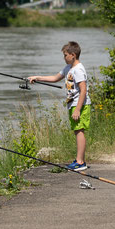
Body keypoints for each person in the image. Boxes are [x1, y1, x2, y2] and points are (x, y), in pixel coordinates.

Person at [28, 41, 91, 171]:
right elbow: (56, 78)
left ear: (73, 55)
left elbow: (83, 90)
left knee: (79, 131)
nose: (64, 57)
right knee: (77, 130)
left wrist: (78, 109)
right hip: (73, 104)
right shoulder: (69, 68)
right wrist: (38, 77)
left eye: (65, 55)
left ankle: (80, 162)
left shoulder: (78, 69)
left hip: (79, 105)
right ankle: (80, 159)